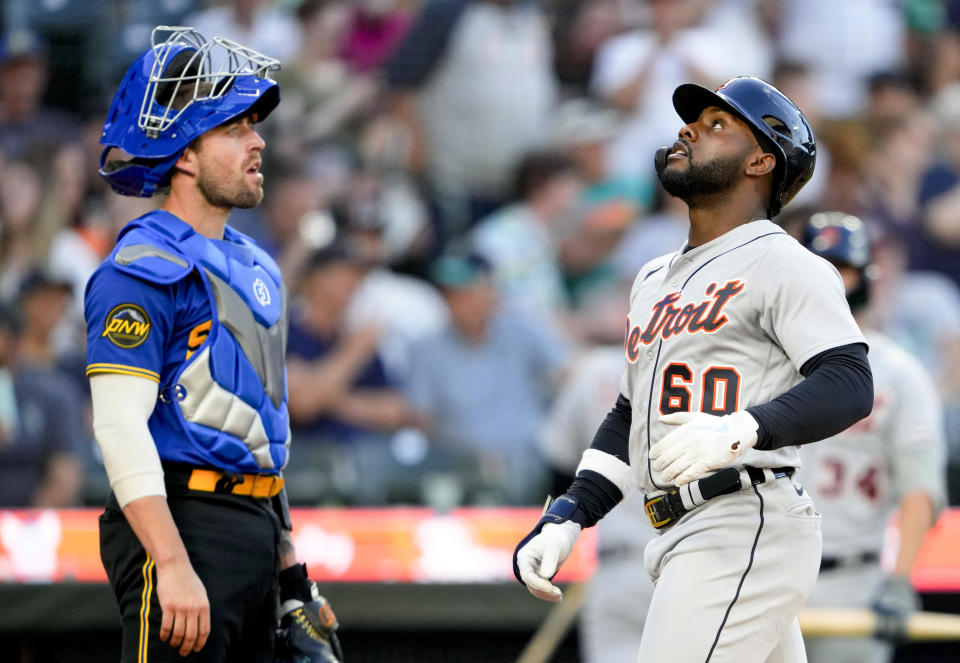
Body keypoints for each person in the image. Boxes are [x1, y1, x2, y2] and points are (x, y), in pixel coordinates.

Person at [513, 76, 874, 662]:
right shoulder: (655, 277)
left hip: (740, 518)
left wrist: (744, 427)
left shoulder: (785, 260)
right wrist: (571, 513)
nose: (688, 129)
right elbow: (632, 413)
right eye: (692, 121)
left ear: (761, 160)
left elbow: (850, 382)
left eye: (716, 126)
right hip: (682, 528)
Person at [84, 26, 341, 662]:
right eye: (234, 128)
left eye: (255, 125)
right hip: (179, 521)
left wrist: (288, 570)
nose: (258, 142)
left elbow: (259, 422)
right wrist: (170, 563)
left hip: (254, 530)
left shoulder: (256, 263)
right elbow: (119, 427)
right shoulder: (139, 266)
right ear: (184, 153)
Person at [798, 212, 947, 663]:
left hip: (854, 579)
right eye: (821, 269)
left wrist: (900, 578)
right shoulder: (763, 361)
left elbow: (919, 488)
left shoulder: (899, 372)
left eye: (842, 269)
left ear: (866, 275)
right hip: (768, 573)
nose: (834, 282)